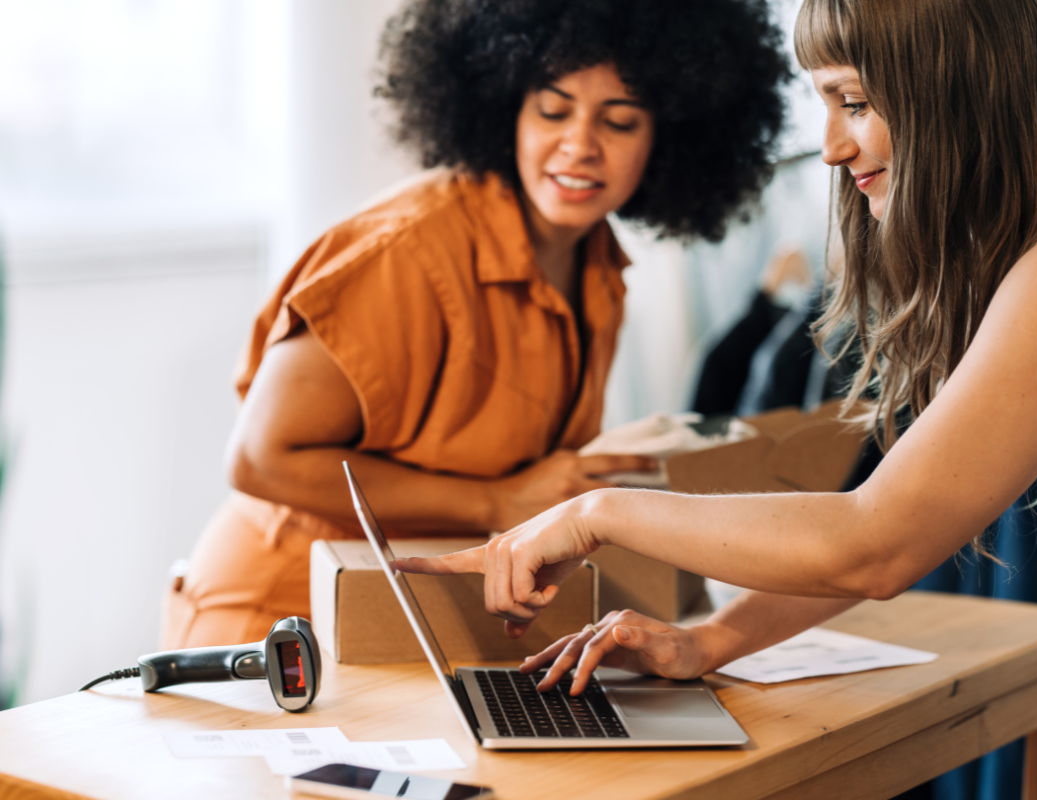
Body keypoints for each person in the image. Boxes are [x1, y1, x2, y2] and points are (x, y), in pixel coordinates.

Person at [394, 0, 1037, 796]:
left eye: (853, 101)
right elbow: (896, 513)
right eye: (824, 104)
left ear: (953, 85)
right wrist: (708, 641)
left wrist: (595, 514)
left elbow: (880, 544)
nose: (829, 147)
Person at [160, 0, 792, 650]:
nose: (580, 144)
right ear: (505, 106)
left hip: (413, 629)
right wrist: (497, 500)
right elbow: (260, 459)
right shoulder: (405, 251)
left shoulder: (599, 265)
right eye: (552, 109)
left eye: (621, 121)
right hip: (278, 625)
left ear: (669, 137)